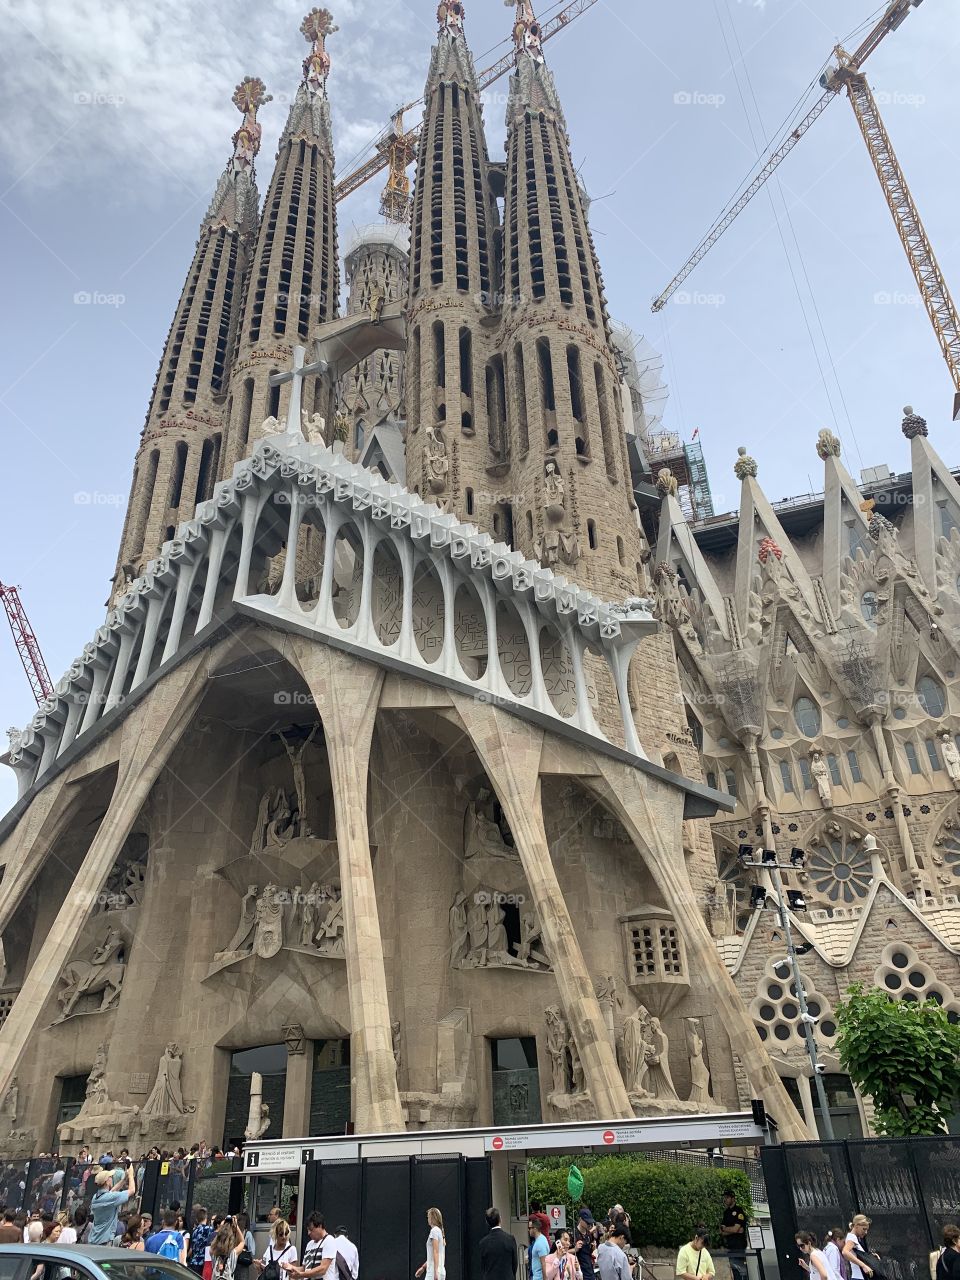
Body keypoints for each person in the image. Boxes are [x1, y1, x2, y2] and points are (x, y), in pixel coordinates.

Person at [89, 1161, 136, 1245]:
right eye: (110, 1177)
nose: (112, 1178)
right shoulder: (109, 1198)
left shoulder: (95, 1197)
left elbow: (111, 1192)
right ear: (107, 1181)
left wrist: (124, 1179)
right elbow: (132, 1190)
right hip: (104, 1240)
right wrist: (131, 1175)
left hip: (94, 1238)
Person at [283, 1212, 338, 1279]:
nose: (309, 1233)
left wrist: (301, 1275)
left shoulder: (329, 1240)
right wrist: (291, 1267)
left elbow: (323, 1269)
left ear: (320, 1226)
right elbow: (304, 1268)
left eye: (311, 1230)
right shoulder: (309, 1244)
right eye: (308, 1230)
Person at [480, 1207, 518, 1280]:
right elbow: (514, 1264)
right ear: (500, 1219)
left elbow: (483, 1266)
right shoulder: (510, 1239)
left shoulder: (483, 1242)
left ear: (487, 1222)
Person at [720, 1189, 748, 1280]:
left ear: (733, 1198)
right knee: (734, 1272)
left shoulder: (739, 1211)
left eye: (727, 1197)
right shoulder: (726, 1213)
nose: (725, 1200)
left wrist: (728, 1229)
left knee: (742, 1272)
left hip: (739, 1246)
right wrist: (731, 1230)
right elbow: (722, 1231)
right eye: (725, 1198)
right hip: (730, 1246)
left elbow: (736, 1229)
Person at [416, 1207, 446, 1280]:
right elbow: (435, 1255)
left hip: (433, 1272)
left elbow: (435, 1252)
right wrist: (423, 1268)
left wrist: (435, 1272)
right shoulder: (439, 1232)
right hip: (441, 1272)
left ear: (432, 1218)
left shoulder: (434, 1231)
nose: (427, 1219)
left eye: (428, 1217)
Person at [190, 1207, 217, 1277]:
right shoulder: (209, 1229)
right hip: (203, 1262)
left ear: (196, 1219)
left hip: (194, 1261)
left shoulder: (194, 1231)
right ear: (206, 1217)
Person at [574, 1209, 598, 1280]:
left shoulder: (589, 1234)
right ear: (581, 1219)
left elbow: (589, 1253)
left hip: (589, 1269)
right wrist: (574, 1249)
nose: (589, 1224)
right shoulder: (573, 1234)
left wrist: (593, 1248)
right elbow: (564, 1253)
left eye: (590, 1222)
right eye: (587, 1222)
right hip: (578, 1270)